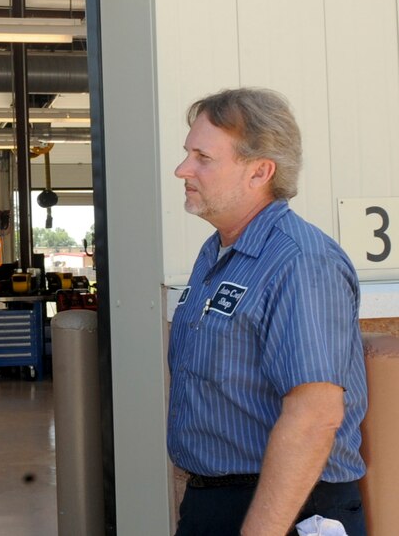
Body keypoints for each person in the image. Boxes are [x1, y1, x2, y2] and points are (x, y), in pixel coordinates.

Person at [168, 88, 368, 535]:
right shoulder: (218, 253)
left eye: (203, 157)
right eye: (187, 154)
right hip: (220, 503)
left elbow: (315, 416)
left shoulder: (301, 262)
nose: (183, 169)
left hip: (289, 510)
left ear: (260, 171)